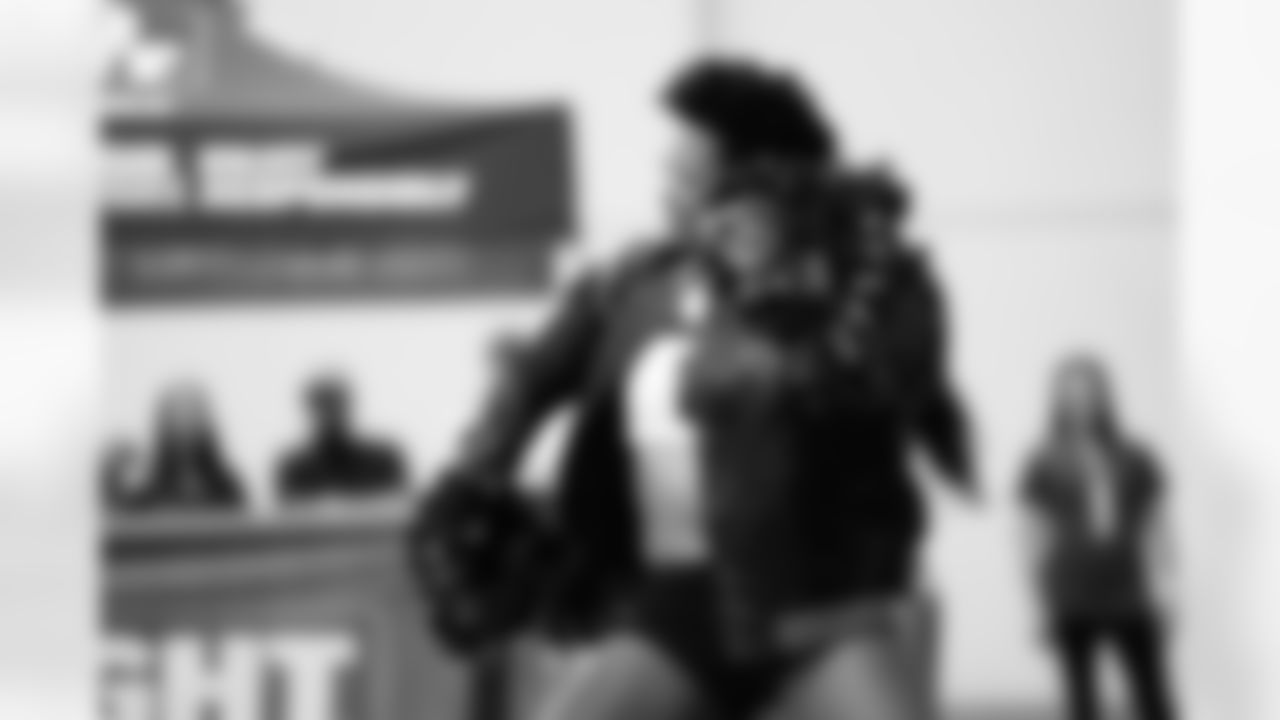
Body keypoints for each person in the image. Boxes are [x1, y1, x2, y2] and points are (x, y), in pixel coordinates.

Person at [412, 57, 965, 720]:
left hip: (821, 611)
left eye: (688, 174)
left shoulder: (846, 286)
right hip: (676, 610)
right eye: (668, 170)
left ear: (758, 185)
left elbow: (893, 374)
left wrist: (845, 271)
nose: (667, 187)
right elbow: (532, 376)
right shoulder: (632, 286)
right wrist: (474, 472)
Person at [847, 163, 978, 719]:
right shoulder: (814, 279)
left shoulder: (910, 288)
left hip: (875, 479)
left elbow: (919, 373)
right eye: (859, 225)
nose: (872, 237)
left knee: (903, 600)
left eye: (883, 226)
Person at [1019, 355, 1178, 720]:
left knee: (1154, 698)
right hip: (1070, 591)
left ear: (1105, 397)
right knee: (1082, 702)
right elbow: (1030, 536)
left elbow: (1158, 527)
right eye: (1072, 395)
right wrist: (1036, 604)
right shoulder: (1043, 461)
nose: (1082, 402)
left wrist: (1167, 587)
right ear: (1059, 401)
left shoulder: (1135, 457)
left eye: (1090, 393)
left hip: (1129, 589)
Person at [278, 374, 407, 503]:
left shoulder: (381, 461)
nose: (329, 416)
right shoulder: (297, 470)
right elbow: (291, 511)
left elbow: (399, 504)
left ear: (347, 407)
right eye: (323, 406)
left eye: (335, 405)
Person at [134, 383, 245, 512]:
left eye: (191, 414)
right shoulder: (148, 487)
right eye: (178, 415)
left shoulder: (227, 486)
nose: (184, 422)